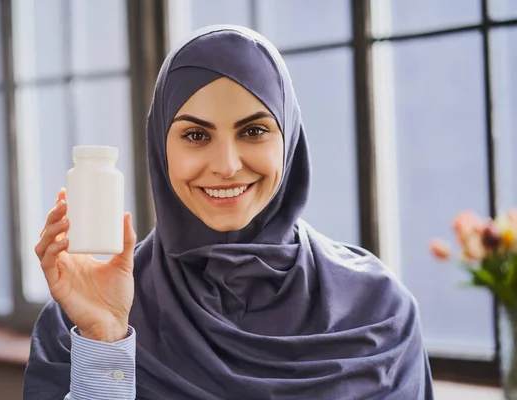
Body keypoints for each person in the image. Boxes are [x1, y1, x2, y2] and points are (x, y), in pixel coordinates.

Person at [23, 25, 434, 400]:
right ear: (161, 149)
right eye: (195, 135)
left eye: (253, 131)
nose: (227, 165)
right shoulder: (80, 317)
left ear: (288, 139)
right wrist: (106, 340)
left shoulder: (378, 309)